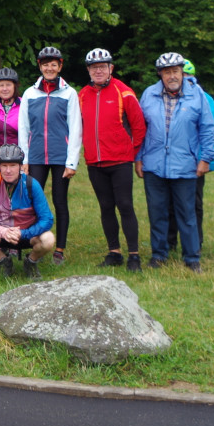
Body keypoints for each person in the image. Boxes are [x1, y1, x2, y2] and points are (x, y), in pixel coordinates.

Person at [135, 53, 214, 273]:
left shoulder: (197, 95)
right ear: (160, 74)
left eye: (176, 71)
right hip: (154, 164)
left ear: (182, 72)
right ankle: (159, 254)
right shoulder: (148, 95)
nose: (172, 76)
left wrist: (205, 158)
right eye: (167, 71)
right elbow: (140, 129)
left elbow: (208, 128)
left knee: (187, 213)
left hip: (185, 165)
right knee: (157, 212)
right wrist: (139, 158)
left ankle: (192, 258)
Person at [80, 48, 146, 271]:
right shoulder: (82, 95)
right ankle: (114, 252)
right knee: (106, 207)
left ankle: (134, 255)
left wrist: (131, 151)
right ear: (89, 70)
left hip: (120, 161)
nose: (98, 71)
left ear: (111, 69)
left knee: (125, 205)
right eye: (94, 67)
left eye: (102, 67)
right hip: (95, 162)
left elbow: (138, 126)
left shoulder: (124, 92)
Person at [17, 46, 81, 265]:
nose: (50, 68)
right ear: (40, 66)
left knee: (59, 201)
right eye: (46, 64)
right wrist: (23, 160)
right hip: (35, 157)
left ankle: (59, 249)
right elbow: (23, 128)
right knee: (31, 201)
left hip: (60, 157)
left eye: (54, 64)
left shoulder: (69, 93)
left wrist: (72, 162)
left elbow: (75, 129)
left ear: (60, 66)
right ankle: (31, 241)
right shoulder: (29, 93)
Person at [0, 144, 56, 279]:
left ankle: (31, 262)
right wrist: (3, 232)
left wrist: (24, 233)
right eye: (4, 166)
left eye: (13, 165)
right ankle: (4, 261)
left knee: (48, 239)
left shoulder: (31, 184)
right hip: (1, 234)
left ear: (21, 166)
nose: (8, 170)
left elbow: (47, 219)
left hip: (27, 234)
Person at [167, 58, 214, 256]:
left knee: (193, 204)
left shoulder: (204, 98)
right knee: (169, 204)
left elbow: (212, 130)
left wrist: (207, 160)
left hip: (194, 162)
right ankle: (169, 242)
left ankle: (196, 242)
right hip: (171, 161)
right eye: (182, 75)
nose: (185, 80)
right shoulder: (166, 97)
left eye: (189, 76)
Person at [0, 67, 22, 147]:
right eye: (1, 85)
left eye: (8, 85)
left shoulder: (24, 105)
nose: (4, 89)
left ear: (15, 86)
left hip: (19, 156)